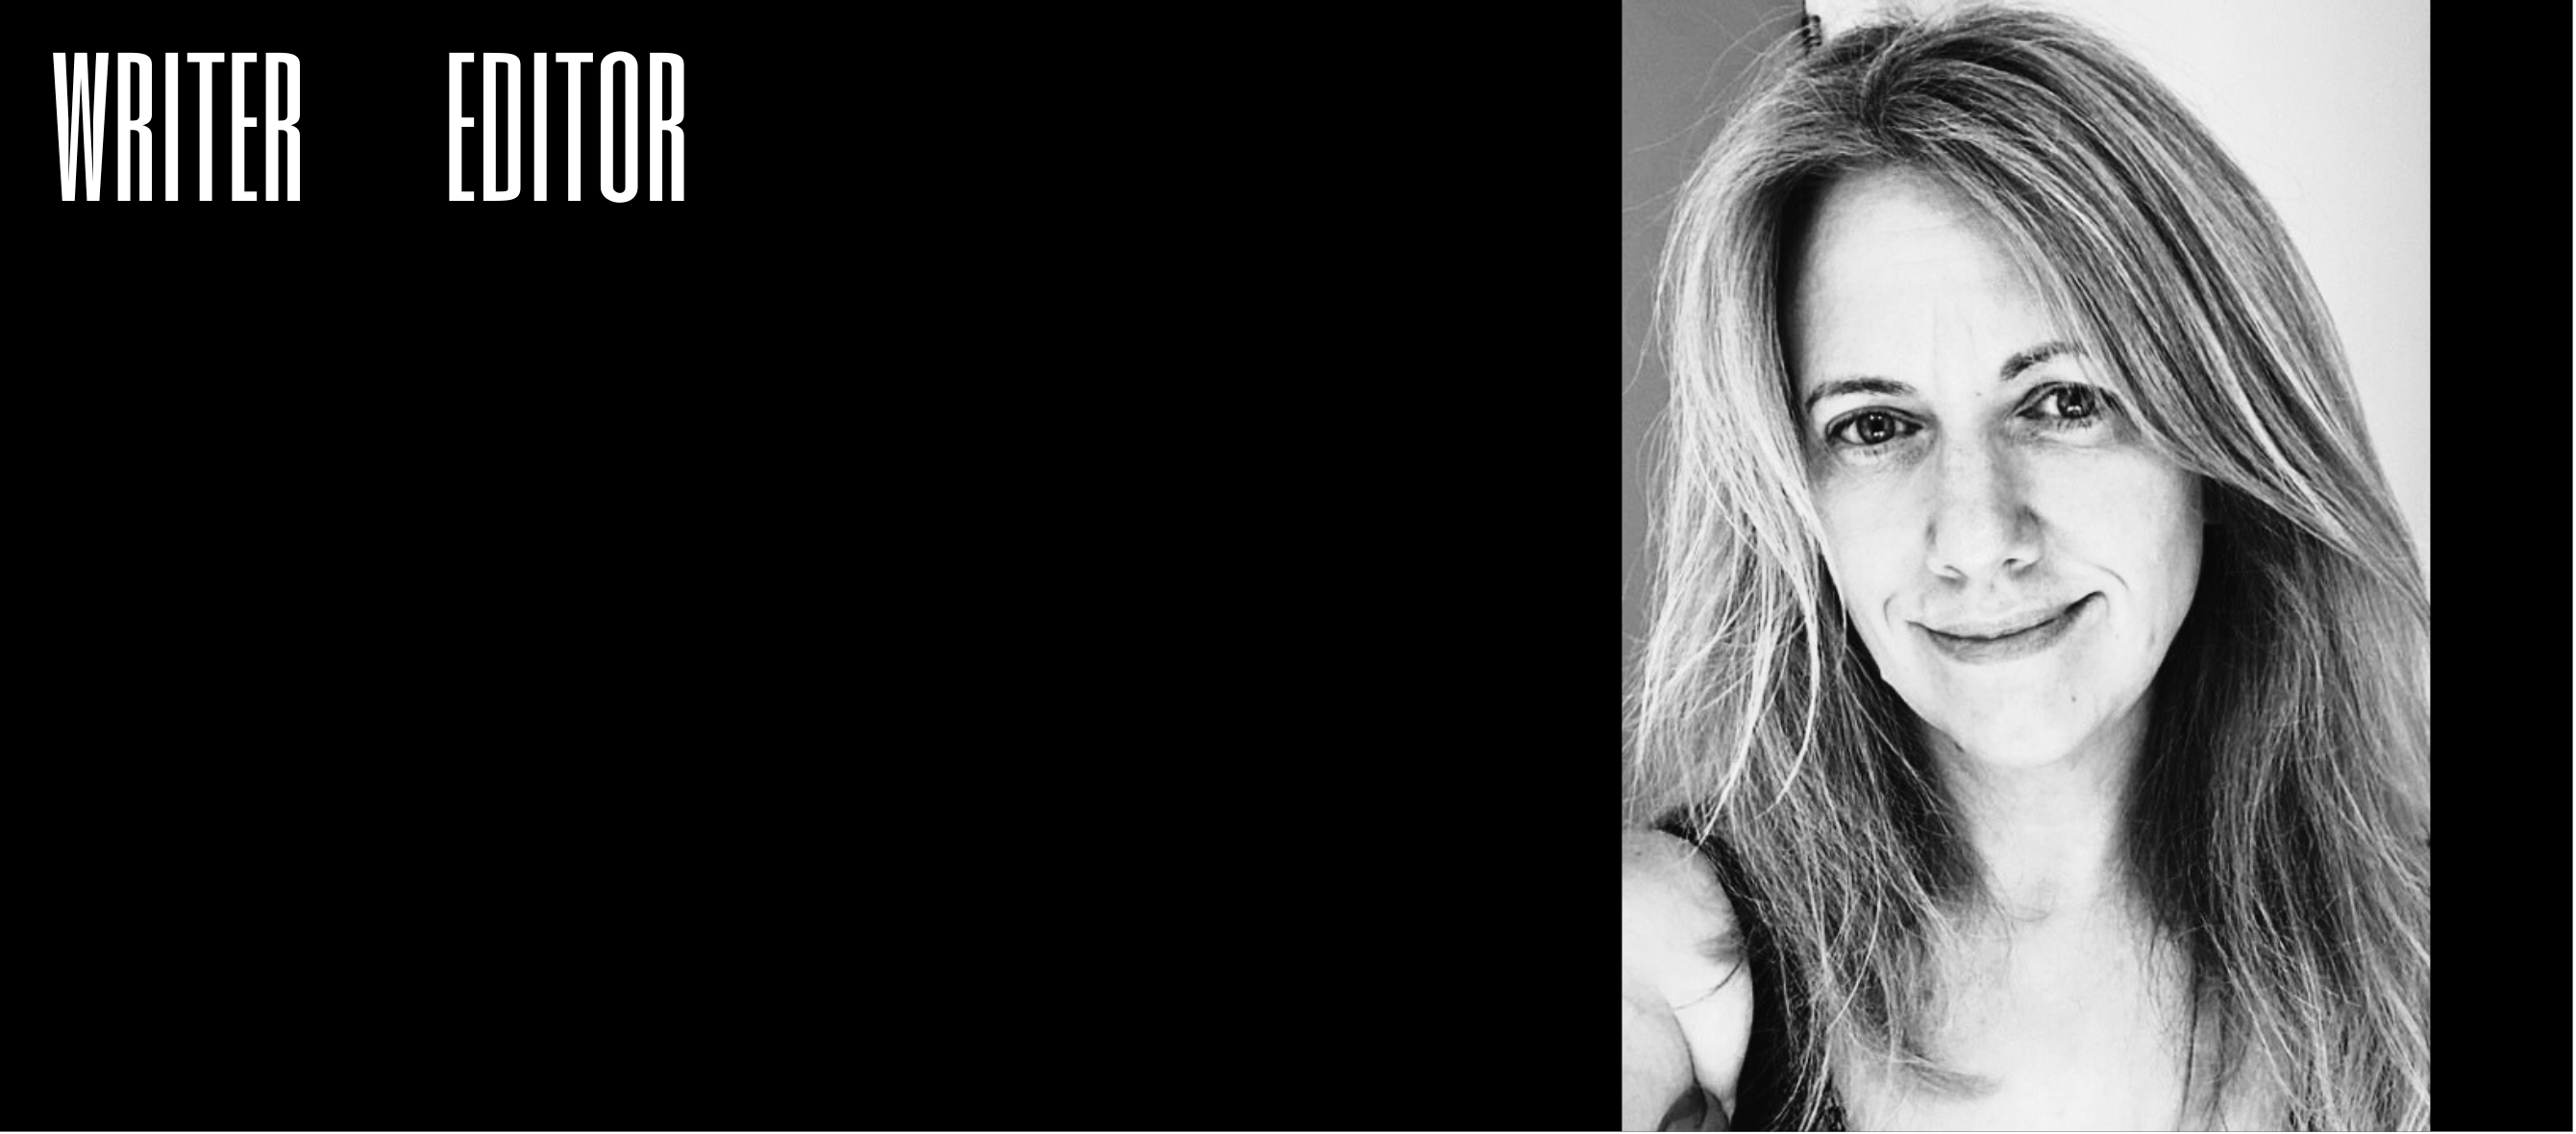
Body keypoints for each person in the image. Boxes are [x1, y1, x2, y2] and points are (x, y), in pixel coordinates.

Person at [1619, 5, 2431, 1130]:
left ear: (2221, 437)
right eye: (1874, 426)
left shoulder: (2408, 950)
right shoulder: (1671, 962)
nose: (1976, 535)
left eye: (2062, 402)